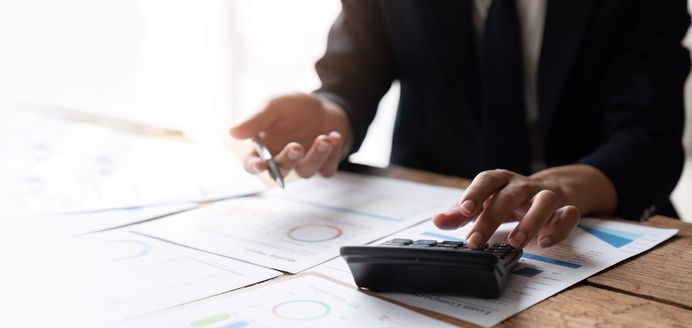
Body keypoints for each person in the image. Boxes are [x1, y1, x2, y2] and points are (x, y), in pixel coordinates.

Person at [230, 0, 690, 249]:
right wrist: (330, 116)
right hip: (434, 218)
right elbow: (350, 80)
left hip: (592, 224)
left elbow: (650, 134)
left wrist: (560, 187)